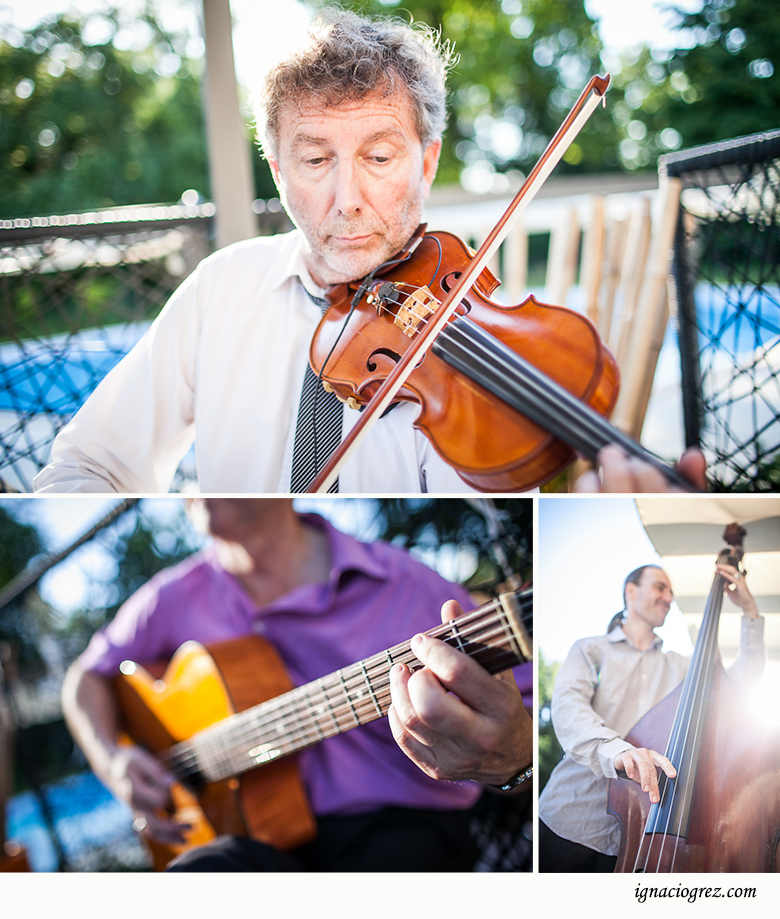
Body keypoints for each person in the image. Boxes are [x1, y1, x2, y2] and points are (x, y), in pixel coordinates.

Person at [32, 10, 706, 495]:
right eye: (316, 159)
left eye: (379, 157)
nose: (347, 198)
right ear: (276, 169)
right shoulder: (221, 288)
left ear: (427, 161)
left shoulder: (486, 348)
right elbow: (87, 464)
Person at [61, 498, 533, 871]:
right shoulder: (168, 597)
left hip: (403, 832)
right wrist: (112, 759)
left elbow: (530, 737)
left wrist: (513, 757)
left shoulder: (409, 584)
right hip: (245, 842)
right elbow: (84, 678)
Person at [538, 561, 763, 872]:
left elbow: (741, 681)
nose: (669, 597)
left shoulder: (683, 669)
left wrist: (750, 610)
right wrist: (619, 752)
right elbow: (568, 712)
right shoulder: (591, 650)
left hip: (637, 842)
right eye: (660, 587)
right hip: (567, 822)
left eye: (671, 591)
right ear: (631, 592)